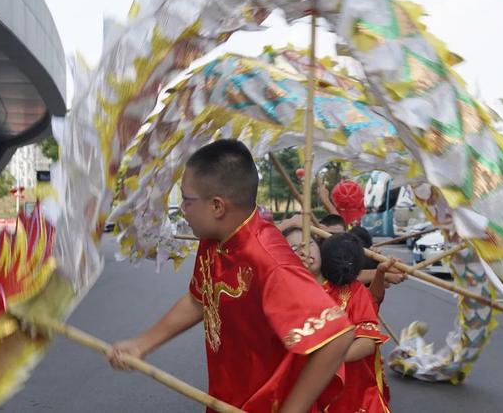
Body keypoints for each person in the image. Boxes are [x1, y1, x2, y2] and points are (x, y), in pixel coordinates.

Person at [107, 140, 354, 412]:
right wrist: (141, 344)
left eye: (187, 200)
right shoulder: (215, 238)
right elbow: (199, 299)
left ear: (217, 206)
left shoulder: (269, 261)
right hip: (225, 396)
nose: (183, 210)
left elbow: (337, 336)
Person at [319, 233, 392, 412]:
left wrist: (326, 362)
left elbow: (367, 341)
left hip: (353, 390)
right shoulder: (300, 289)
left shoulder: (355, 291)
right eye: (295, 248)